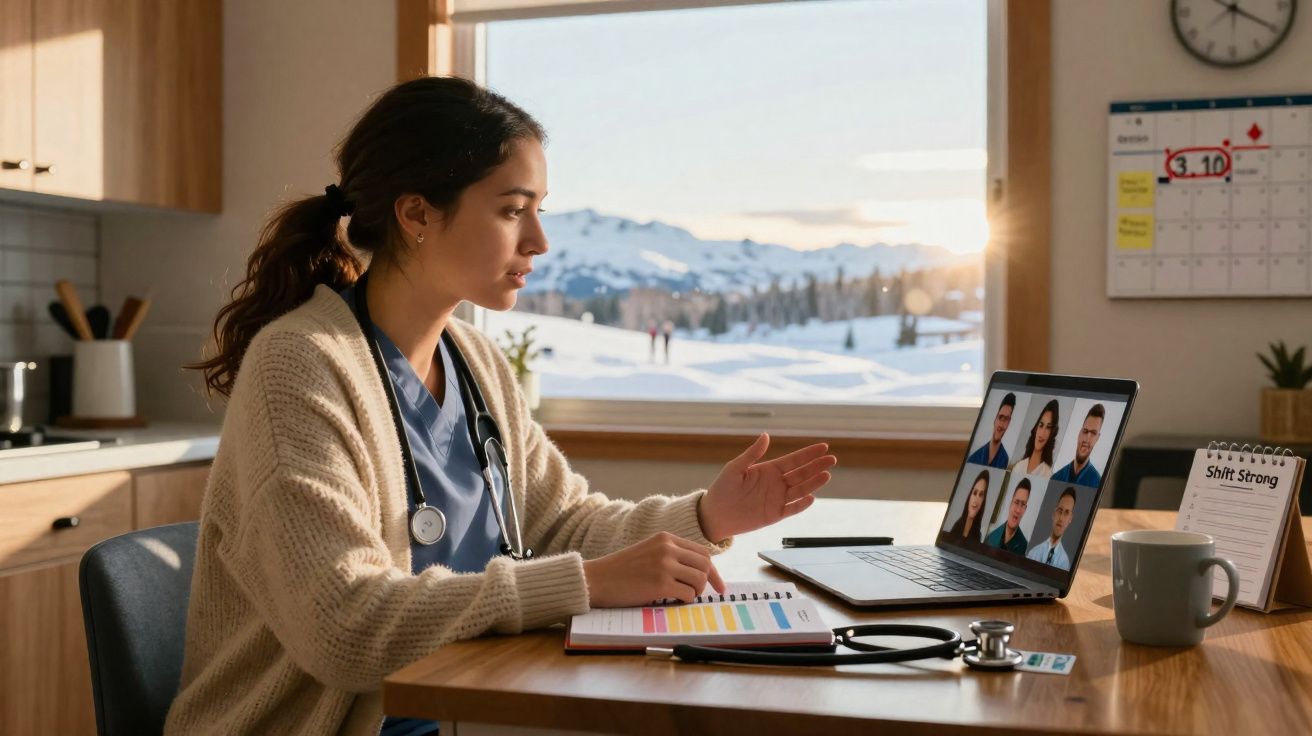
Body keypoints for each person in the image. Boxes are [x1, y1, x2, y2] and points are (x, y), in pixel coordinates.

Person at [170, 77, 838, 736]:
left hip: (474, 702)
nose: (540, 241)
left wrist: (704, 516)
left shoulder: (474, 360)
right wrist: (588, 585)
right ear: (417, 214)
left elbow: (560, 523)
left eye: (539, 209)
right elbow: (345, 627)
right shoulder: (300, 365)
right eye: (513, 210)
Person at [1052, 403, 1105, 486]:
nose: (1087, 439)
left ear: (1097, 438)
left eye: (1093, 433)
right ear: (1079, 433)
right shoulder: (1056, 478)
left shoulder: (1097, 484)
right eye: (1085, 431)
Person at [1026, 487, 1076, 570]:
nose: (1061, 518)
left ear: (1070, 519)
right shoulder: (1033, 553)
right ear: (1053, 514)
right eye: (1060, 510)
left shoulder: (1065, 563)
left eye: (1066, 513)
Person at [1009, 399, 1059, 478]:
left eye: (1048, 428)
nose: (1042, 433)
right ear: (1036, 428)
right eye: (1041, 425)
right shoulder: (1018, 467)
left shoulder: (1047, 475)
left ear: (1051, 434)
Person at [966, 392, 1015, 469]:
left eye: (1006, 419)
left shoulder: (1005, 459)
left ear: (1009, 423)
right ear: (995, 419)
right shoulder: (973, 460)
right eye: (1000, 417)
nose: (1001, 425)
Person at [984, 478, 1030, 554]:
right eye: (1016, 502)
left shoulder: (1024, 547)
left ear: (1025, 509)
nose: (1018, 510)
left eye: (1023, 504)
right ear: (1010, 503)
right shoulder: (991, 538)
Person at [946, 469, 989, 543]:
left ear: (983, 501)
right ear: (970, 496)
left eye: (981, 495)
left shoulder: (978, 536)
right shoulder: (956, 526)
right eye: (975, 493)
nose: (976, 500)